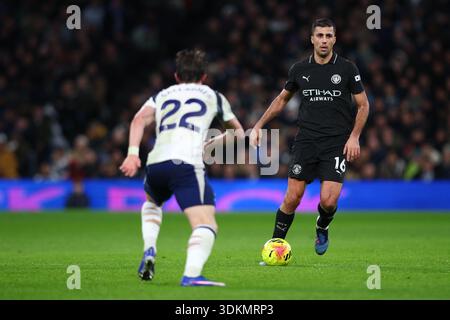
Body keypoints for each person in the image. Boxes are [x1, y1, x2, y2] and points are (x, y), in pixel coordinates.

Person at [119, 49, 244, 286]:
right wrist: (215, 142)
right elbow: (237, 132)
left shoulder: (162, 95)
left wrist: (133, 154)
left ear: (177, 76)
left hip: (155, 163)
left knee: (153, 203)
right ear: (204, 76)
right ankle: (192, 275)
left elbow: (138, 120)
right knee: (206, 224)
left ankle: (149, 249)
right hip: (186, 164)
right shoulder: (213, 96)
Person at [250, 18, 370, 256]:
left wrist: (354, 137)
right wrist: (259, 125)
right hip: (306, 141)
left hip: (336, 142)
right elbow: (281, 100)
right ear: (312, 39)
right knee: (293, 197)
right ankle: (276, 246)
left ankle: (322, 225)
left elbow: (363, 105)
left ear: (334, 39)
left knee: (328, 201)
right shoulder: (299, 69)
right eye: (320, 36)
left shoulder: (347, 69)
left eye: (328, 36)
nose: (324, 40)